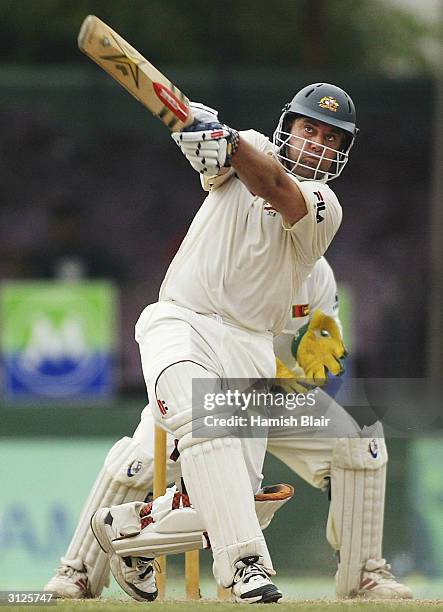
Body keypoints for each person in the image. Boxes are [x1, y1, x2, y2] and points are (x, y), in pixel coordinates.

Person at [46, 83, 358, 603]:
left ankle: (127, 532)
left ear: (342, 154)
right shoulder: (250, 146)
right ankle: (244, 566)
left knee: (233, 495)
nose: (318, 143)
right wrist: (196, 133)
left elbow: (274, 185)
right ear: (288, 127)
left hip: (251, 351)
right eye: (310, 129)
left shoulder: (324, 206)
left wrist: (228, 142)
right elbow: (212, 160)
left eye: (331, 137)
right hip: (182, 321)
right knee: (187, 430)